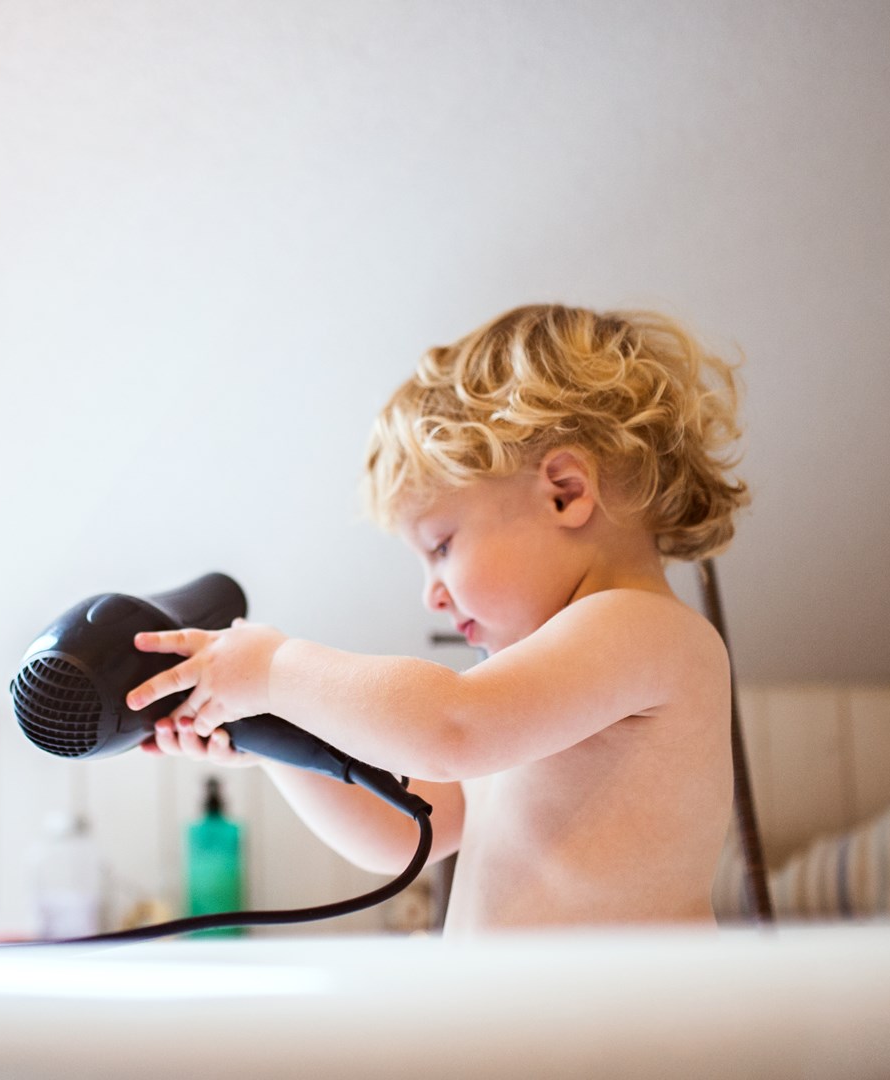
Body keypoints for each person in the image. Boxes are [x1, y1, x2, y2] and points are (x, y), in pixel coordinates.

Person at [128, 303, 750, 932]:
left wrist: (273, 668)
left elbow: (452, 727)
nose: (432, 594)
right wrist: (276, 739)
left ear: (565, 491)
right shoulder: (535, 694)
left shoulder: (644, 630)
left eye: (443, 546)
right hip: (535, 1028)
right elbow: (410, 829)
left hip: (626, 1029)